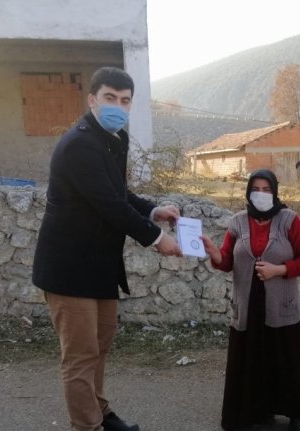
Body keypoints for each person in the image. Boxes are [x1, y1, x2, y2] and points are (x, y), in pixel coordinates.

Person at [32, 67, 182, 431]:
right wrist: (157, 238)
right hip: (69, 269)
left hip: (100, 266)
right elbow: (110, 206)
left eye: (125, 100)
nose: (118, 106)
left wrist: (153, 210)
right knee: (80, 356)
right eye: (109, 98)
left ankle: (100, 412)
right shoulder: (80, 145)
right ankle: (88, 426)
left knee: (99, 347)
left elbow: (119, 193)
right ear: (92, 100)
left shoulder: (115, 139)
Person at [201, 169, 300, 431]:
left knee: (283, 357)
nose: (261, 194)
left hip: (280, 306)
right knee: (250, 360)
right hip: (248, 306)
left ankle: (293, 413)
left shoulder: (289, 220)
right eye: (256, 190)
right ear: (248, 192)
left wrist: (279, 270)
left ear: (275, 192)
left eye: (266, 190)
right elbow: (226, 261)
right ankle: (255, 411)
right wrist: (214, 252)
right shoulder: (237, 222)